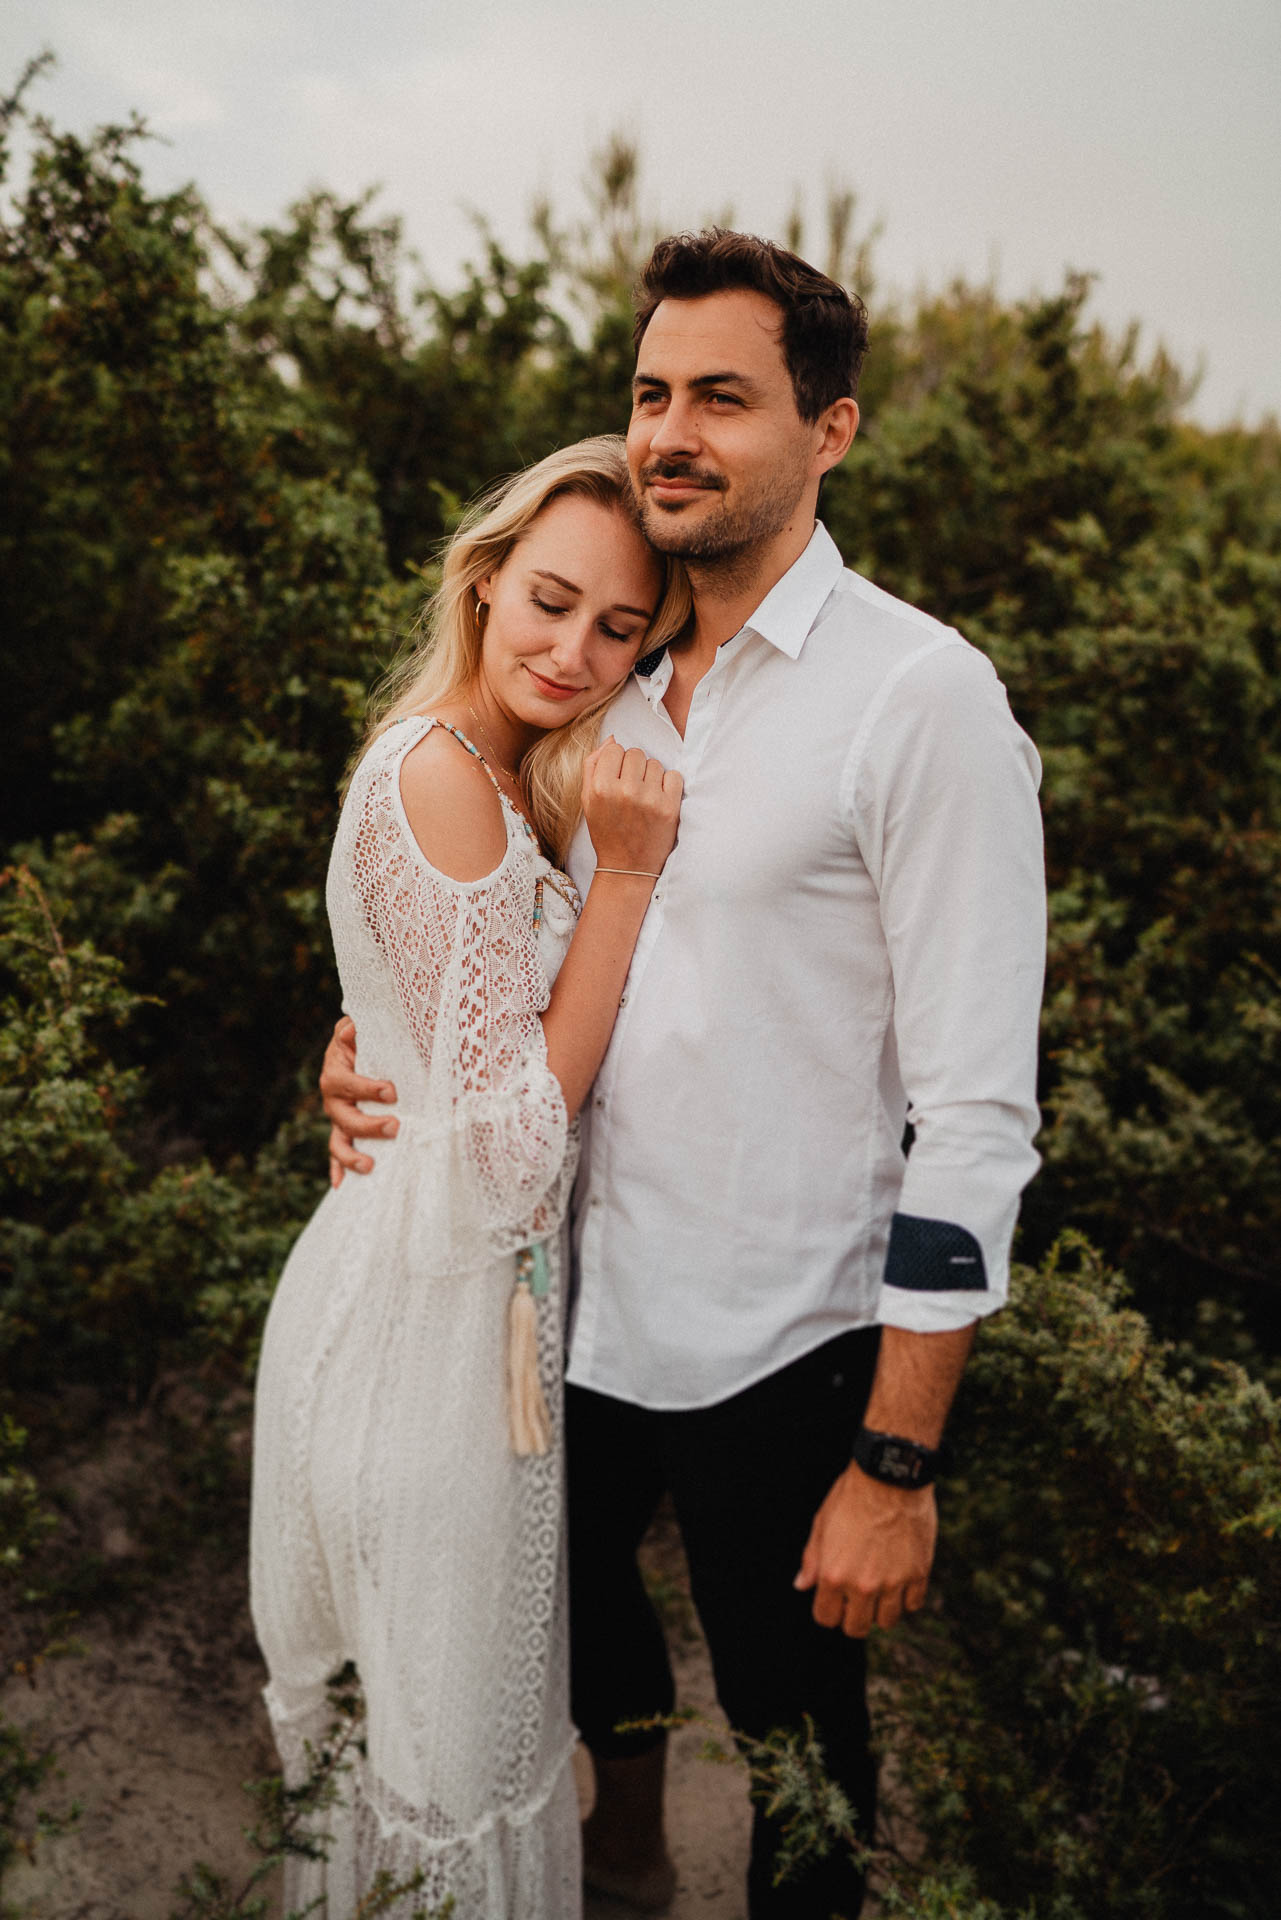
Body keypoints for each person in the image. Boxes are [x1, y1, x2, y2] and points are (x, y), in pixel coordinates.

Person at [323, 231, 1046, 1919]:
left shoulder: (916, 698)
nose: (671, 431)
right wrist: (366, 1055)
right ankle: (625, 1865)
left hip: (779, 1340)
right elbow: (485, 940)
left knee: (800, 1759)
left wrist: (895, 1464)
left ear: (830, 430)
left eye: (722, 396)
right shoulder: (612, 676)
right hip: (557, 1314)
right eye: (650, 393)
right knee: (575, 1642)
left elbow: (978, 1112)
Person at [249, 435, 691, 1920]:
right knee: (444, 1755)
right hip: (425, 1333)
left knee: (445, 1737)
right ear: (485, 579)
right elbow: (507, 1153)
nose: (574, 650)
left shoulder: (503, 772)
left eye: (618, 626)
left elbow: (442, 1034)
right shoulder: (441, 776)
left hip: (450, 1312)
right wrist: (623, 878)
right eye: (549, 603)